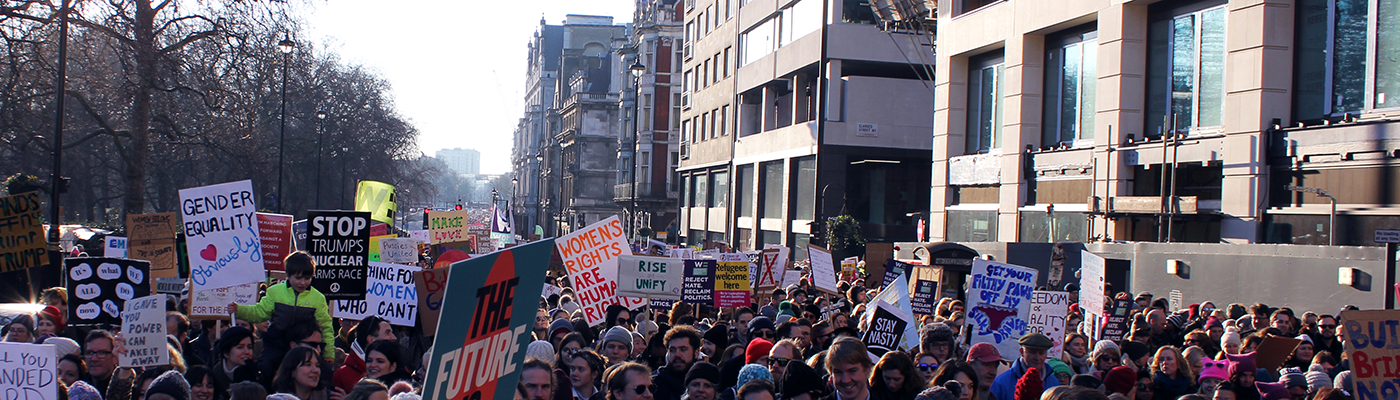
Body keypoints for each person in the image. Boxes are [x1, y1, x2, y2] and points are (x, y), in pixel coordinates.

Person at [230, 252, 337, 380]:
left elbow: (326, 326)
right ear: (288, 275)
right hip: (277, 341)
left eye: (307, 278)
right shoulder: (275, 292)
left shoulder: (317, 298)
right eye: (298, 278)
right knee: (266, 368)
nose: (302, 283)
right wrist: (239, 310)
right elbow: (259, 312)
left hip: (303, 343)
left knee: (321, 373)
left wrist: (328, 353)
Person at [335, 316, 397, 392]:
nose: (394, 338)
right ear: (371, 339)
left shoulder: (402, 372)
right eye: (387, 333)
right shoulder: (341, 376)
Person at [990, 333, 1059, 400]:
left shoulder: (1054, 383)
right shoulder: (1001, 383)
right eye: (1032, 352)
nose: (1037, 357)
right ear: (1022, 352)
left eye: (1041, 353)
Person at [653, 325, 701, 400]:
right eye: (672, 350)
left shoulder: (703, 384)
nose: (677, 355)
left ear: (696, 353)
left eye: (683, 349)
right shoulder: (655, 385)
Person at [213, 326, 257, 395]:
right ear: (226, 353)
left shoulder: (257, 373)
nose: (247, 352)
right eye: (240, 347)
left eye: (249, 347)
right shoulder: (214, 376)